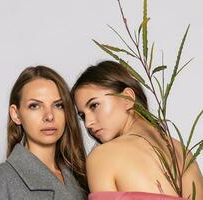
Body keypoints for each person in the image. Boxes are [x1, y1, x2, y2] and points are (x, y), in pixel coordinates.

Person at [71, 60, 203, 200]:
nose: (88, 123)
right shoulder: (184, 154)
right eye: (82, 116)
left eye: (94, 105)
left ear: (127, 98)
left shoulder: (103, 156)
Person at [0, 66, 88, 200]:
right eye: (35, 106)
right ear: (16, 114)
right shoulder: (3, 178)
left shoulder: (79, 173)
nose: (49, 116)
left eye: (58, 105)